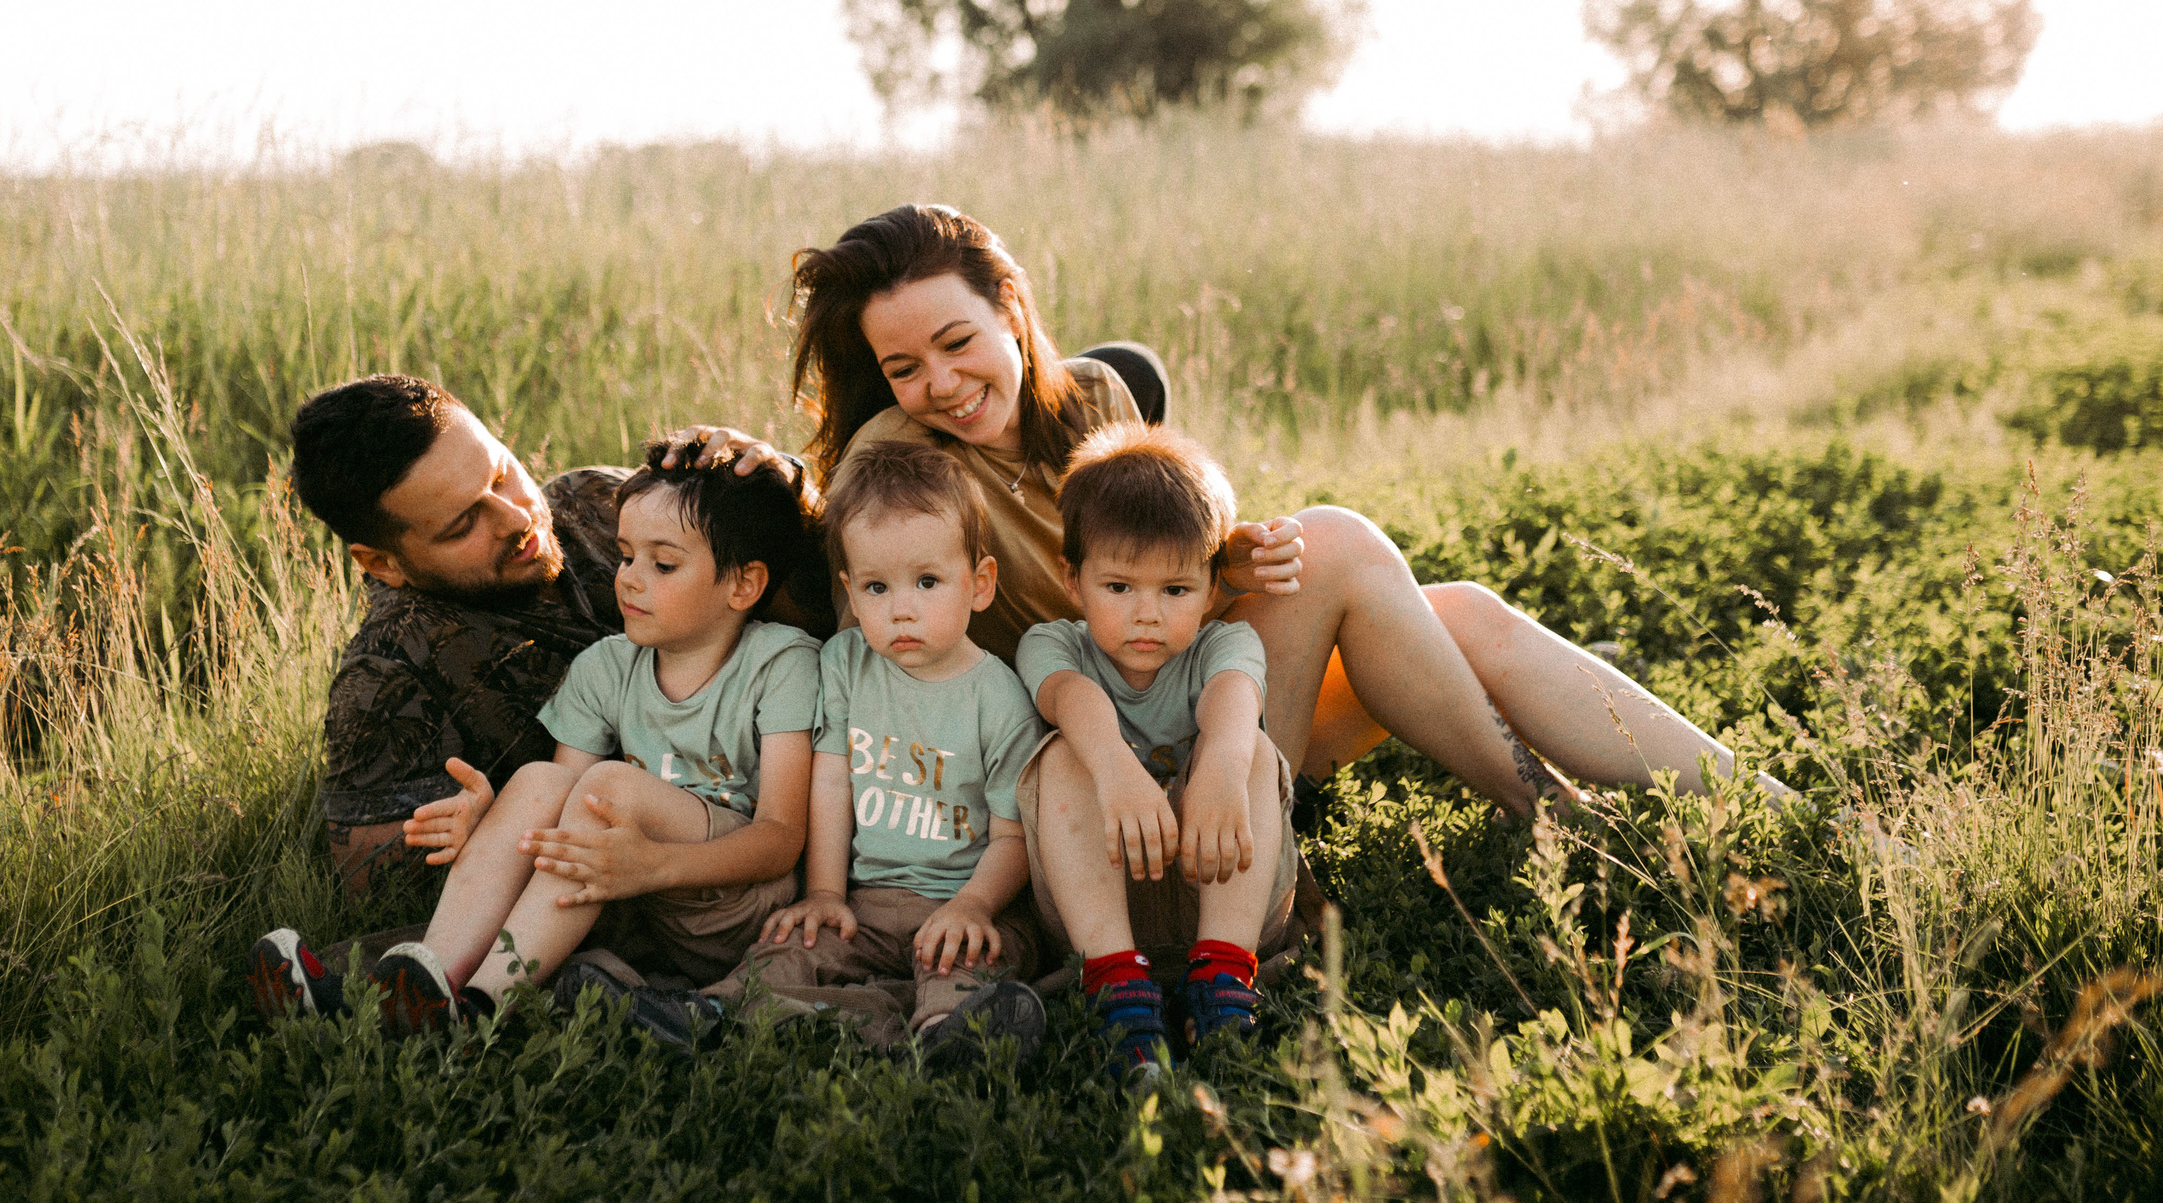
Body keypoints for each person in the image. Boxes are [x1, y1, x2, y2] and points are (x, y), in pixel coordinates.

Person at [666, 202, 1790, 824]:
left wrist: (1229, 559)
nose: (942, 384)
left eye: (957, 343)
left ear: (1010, 313)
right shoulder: (898, 464)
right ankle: (1543, 819)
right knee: (1351, 544)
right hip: (1098, 755)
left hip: (1197, 696)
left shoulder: (1097, 400)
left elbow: (1151, 573)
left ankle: (1763, 803)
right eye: (903, 365)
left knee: (1464, 613)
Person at [253, 442, 822, 1043]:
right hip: (632, 899)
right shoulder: (606, 666)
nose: (628, 579)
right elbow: (559, 803)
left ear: (743, 585)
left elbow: (781, 841)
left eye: (663, 565)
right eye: (626, 556)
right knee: (536, 783)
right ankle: (433, 980)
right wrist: (493, 825)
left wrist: (656, 865)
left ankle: (481, 1005)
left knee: (608, 787)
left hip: (737, 906)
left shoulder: (781, 663)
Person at [283, 376, 828, 898]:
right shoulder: (390, 673)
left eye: (500, 475)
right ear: (383, 563)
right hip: (614, 892)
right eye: (461, 525)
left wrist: (782, 497)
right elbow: (370, 886)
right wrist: (483, 824)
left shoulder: (597, 501)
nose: (515, 516)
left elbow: (839, 617)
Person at [705, 441, 1047, 1065]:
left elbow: (1014, 837)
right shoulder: (844, 664)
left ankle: (942, 1034)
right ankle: (715, 1013)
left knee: (962, 965)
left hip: (965, 900)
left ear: (980, 584)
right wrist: (828, 894)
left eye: (926, 581)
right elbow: (832, 786)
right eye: (877, 587)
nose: (902, 608)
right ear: (851, 594)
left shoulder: (999, 698)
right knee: (789, 948)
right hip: (868, 898)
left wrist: (973, 906)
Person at [1015, 423, 1295, 1078]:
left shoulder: (1224, 646)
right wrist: (1116, 770)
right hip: (1101, 904)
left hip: (1220, 886)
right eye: (1119, 587)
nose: (1147, 613)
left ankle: (1223, 981)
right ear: (1072, 577)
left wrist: (1221, 767)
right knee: (1064, 753)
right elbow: (1072, 699)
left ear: (1211, 585)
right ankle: (1121, 992)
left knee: (1246, 745)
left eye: (1175, 590)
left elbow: (1232, 701)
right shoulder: (1053, 644)